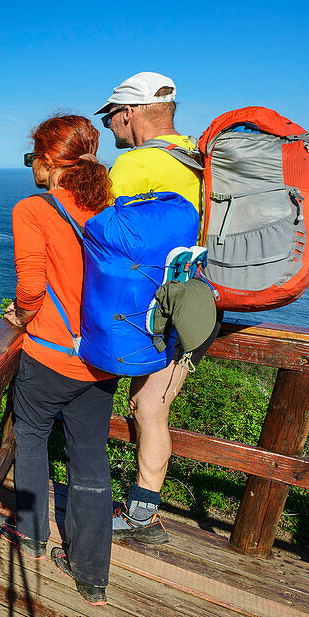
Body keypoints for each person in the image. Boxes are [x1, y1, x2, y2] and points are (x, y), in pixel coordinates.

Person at [0, 115, 119, 604]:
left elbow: (30, 287)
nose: (30, 168)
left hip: (50, 353)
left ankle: (32, 537)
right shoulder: (111, 205)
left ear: (47, 162)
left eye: (32, 159)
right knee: (89, 460)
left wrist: (21, 317)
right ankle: (92, 576)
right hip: (102, 358)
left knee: (30, 439)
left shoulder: (33, 209)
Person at [96, 72, 219, 544]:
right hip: (196, 302)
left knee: (148, 407)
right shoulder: (199, 155)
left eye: (110, 118)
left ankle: (142, 516)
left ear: (128, 113)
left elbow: (100, 243)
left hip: (154, 312)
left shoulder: (134, 167)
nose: (110, 129)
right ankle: (142, 510)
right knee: (150, 404)